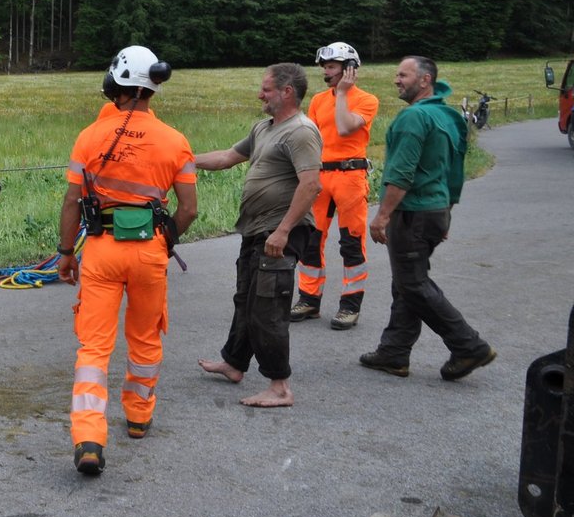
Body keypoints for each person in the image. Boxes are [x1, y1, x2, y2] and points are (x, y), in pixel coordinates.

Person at [56, 45, 197, 476]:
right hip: (150, 252)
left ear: (115, 81)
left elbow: (71, 203)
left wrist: (65, 253)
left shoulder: (89, 136)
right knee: (145, 337)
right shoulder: (175, 141)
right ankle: (138, 417)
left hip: (101, 250)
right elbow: (189, 209)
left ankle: (89, 438)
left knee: (94, 347)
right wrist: (163, 236)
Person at [360, 56, 497, 380]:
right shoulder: (448, 116)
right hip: (434, 211)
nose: (396, 80)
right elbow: (454, 170)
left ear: (425, 80)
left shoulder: (414, 118)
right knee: (407, 282)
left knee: (413, 284)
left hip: (413, 213)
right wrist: (445, 212)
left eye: (403, 75)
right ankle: (394, 352)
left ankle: (468, 346)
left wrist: (382, 216)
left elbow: (402, 173)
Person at [196, 63, 322, 408]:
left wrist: (283, 231)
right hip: (256, 230)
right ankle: (234, 363)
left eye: (266, 89)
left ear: (287, 92)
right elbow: (226, 157)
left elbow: (311, 185)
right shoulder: (264, 128)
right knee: (246, 301)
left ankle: (280, 387)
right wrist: (180, 161)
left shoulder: (301, 131)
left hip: (279, 231)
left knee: (268, 309)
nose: (259, 94)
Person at [292, 42, 379, 330]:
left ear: (349, 69)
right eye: (325, 67)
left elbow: (343, 127)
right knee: (310, 240)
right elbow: (312, 137)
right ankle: (308, 299)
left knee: (351, 243)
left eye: (331, 67)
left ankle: (350, 306)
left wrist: (342, 93)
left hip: (350, 177)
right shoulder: (318, 100)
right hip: (320, 176)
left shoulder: (367, 100)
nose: (326, 72)